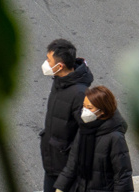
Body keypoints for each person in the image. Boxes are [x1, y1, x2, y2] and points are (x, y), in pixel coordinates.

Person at [54, 85, 134, 192]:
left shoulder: (115, 138)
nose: (85, 111)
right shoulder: (83, 129)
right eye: (84, 106)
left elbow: (122, 176)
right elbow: (72, 163)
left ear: (102, 111)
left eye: (90, 108)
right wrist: (60, 187)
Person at [40, 38, 94, 192]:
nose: (46, 63)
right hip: (52, 163)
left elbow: (85, 137)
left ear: (60, 66)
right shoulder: (59, 81)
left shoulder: (79, 94)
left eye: (49, 60)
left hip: (67, 171)